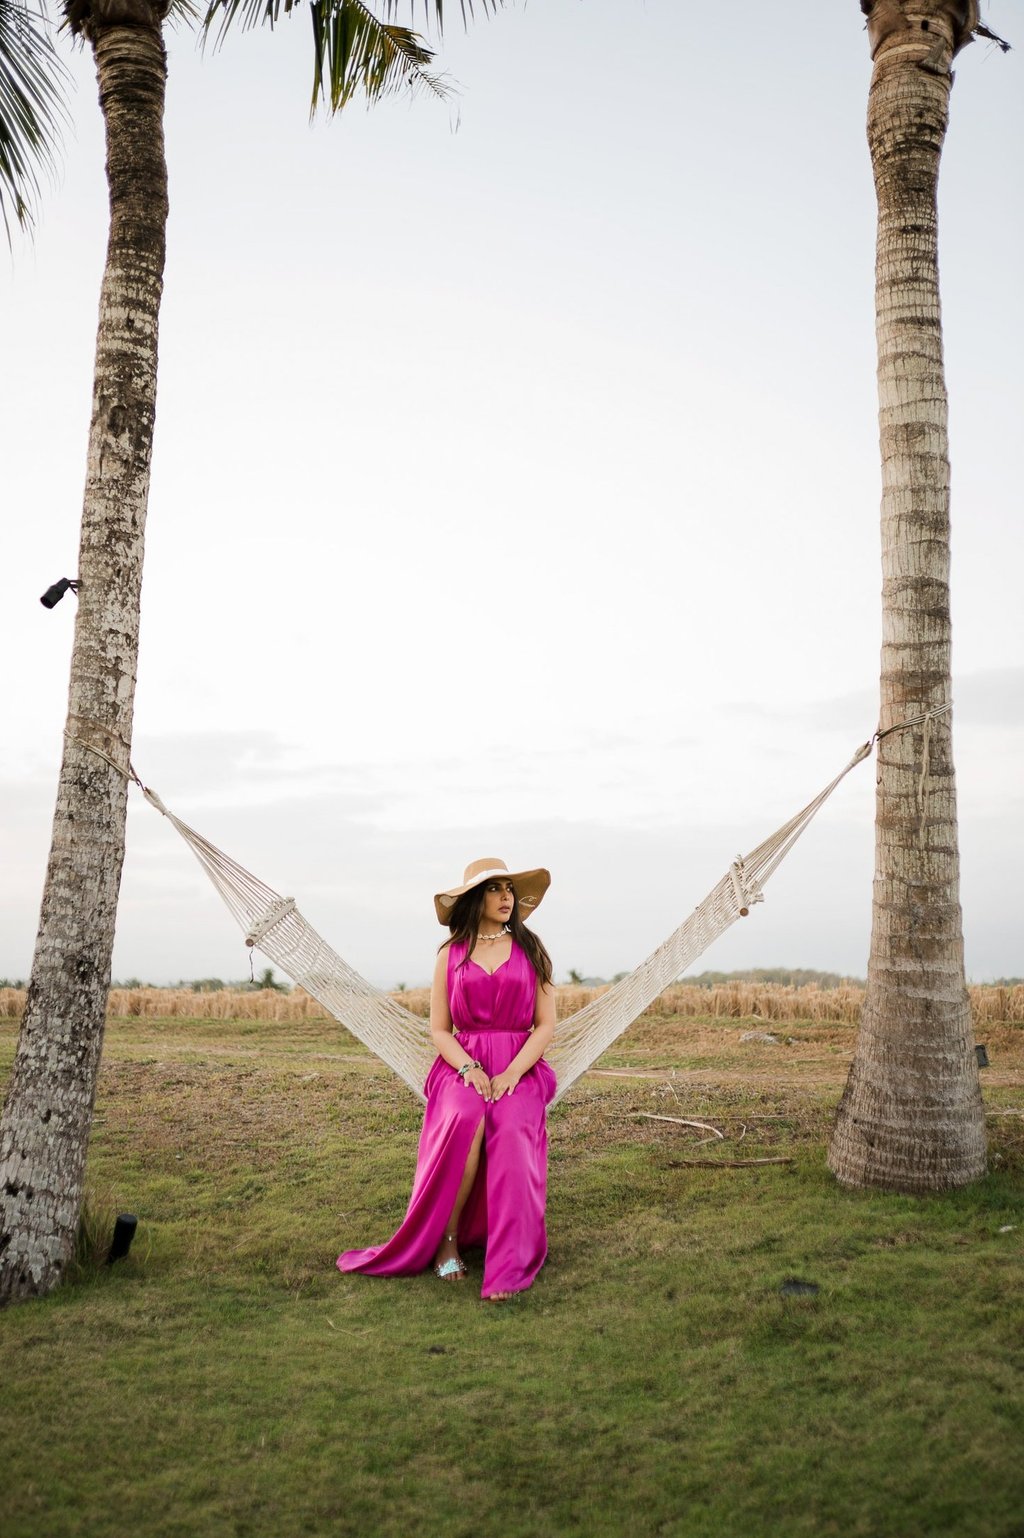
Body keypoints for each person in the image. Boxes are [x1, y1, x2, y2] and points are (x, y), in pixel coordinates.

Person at [337, 857, 557, 1302]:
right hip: (461, 1063)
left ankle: (509, 1260)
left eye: (508, 889)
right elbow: (439, 1030)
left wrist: (513, 1072)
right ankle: (447, 1239)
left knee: (512, 1126)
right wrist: (469, 1068)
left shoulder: (532, 948)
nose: (505, 896)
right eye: (494, 889)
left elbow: (546, 1025)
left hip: (520, 1066)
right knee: (465, 1118)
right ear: (475, 898)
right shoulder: (451, 953)